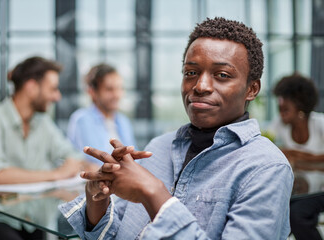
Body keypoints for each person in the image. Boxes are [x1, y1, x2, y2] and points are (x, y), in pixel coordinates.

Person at [59, 17, 293, 239]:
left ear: (252, 89)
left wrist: (154, 193)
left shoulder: (266, 168)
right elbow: (112, 234)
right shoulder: (158, 147)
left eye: (222, 75)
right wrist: (97, 201)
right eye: (191, 72)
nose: (200, 86)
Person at [0, 56, 97, 240]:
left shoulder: (42, 122)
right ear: (31, 87)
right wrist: (56, 174)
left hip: (34, 221)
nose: (57, 96)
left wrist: (86, 165)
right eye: (52, 89)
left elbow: (70, 153)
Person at [268, 73, 324, 240]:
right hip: (296, 190)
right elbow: (270, 151)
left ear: (300, 105)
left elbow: (285, 155)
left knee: (297, 215)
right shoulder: (279, 124)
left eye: (285, 106)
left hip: (320, 190)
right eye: (279, 103)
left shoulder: (319, 123)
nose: (280, 106)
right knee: (278, 212)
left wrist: (293, 154)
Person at [67, 63, 137, 165]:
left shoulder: (123, 121)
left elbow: (135, 157)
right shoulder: (82, 120)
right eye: (109, 89)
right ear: (92, 92)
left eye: (119, 88)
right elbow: (97, 162)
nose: (117, 95)